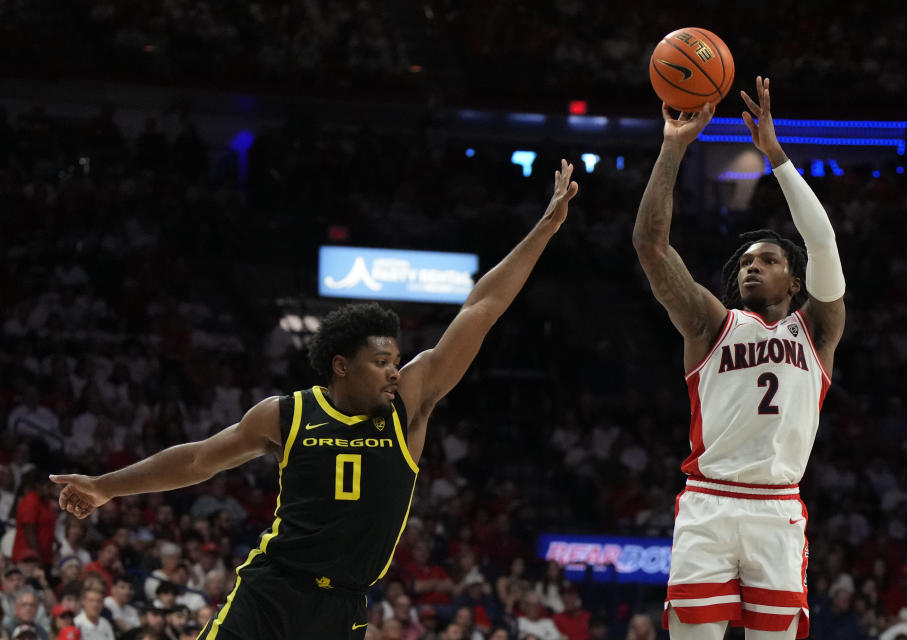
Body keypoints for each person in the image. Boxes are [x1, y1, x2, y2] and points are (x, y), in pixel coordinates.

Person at [50, 160, 580, 639]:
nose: (395, 371)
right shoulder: (286, 414)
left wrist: (544, 229)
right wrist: (103, 487)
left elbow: (481, 308)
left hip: (341, 606)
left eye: (396, 361)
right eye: (381, 363)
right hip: (269, 591)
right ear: (341, 367)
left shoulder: (410, 402)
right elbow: (195, 460)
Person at [632, 77, 846, 640]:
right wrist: (673, 146)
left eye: (768, 259)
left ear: (794, 281)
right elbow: (651, 246)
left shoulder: (817, 330)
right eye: (746, 261)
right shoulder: (711, 324)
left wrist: (775, 156)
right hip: (710, 503)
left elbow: (823, 245)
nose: (751, 266)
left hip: (778, 509)